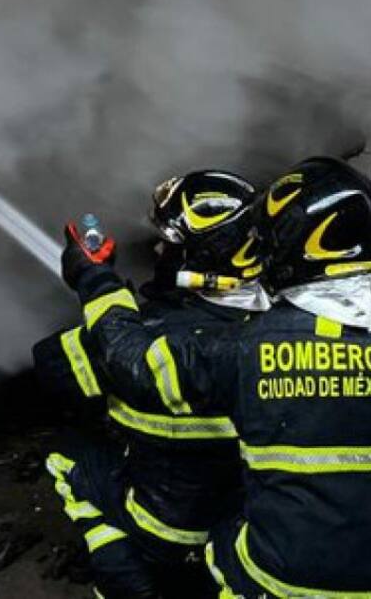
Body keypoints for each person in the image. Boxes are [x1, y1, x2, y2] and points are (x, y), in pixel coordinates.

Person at [61, 156, 371, 598]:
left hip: (271, 583)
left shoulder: (250, 349)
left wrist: (95, 278)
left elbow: (133, 362)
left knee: (72, 461)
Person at [35, 170, 269, 599]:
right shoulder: (280, 331)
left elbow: (51, 367)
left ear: (198, 254)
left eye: (168, 243)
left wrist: (99, 286)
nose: (158, 250)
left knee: (69, 456)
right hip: (244, 541)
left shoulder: (149, 336)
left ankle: (118, 570)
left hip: (162, 536)